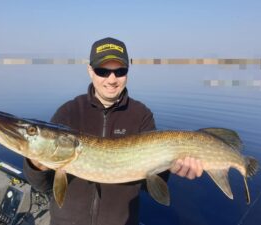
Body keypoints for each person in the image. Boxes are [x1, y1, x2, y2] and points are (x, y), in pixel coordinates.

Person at [23, 37, 203, 225]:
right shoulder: (69, 112)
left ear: (127, 72)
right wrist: (37, 165)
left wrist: (171, 167)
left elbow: (150, 183)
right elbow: (41, 185)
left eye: (120, 71)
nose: (112, 79)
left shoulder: (141, 115)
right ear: (90, 71)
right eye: (103, 71)